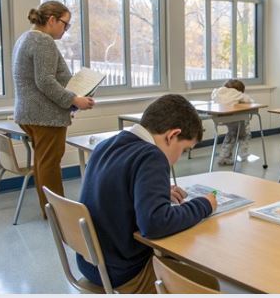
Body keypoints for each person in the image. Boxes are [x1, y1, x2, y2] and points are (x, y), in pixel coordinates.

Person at [78, 94, 218, 294]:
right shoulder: (152, 157)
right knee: (208, 284)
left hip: (92, 263)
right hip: (123, 273)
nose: (178, 159)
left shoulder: (108, 144)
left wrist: (154, 191)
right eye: (184, 149)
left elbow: (116, 186)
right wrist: (204, 205)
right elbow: (155, 223)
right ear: (172, 135)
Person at [12, 0, 95, 217]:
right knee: (50, 164)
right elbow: (45, 81)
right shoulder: (43, 42)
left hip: (29, 112)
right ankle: (58, 214)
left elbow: (46, 78)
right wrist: (74, 100)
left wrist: (75, 95)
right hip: (44, 115)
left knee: (42, 161)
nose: (65, 30)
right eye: (65, 24)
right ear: (51, 20)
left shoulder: (25, 38)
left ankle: (48, 209)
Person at [211, 79, 253, 166]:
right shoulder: (237, 94)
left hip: (220, 118)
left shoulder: (218, 92)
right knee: (245, 132)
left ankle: (224, 157)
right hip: (235, 118)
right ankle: (243, 154)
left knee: (231, 134)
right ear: (240, 90)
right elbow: (249, 101)